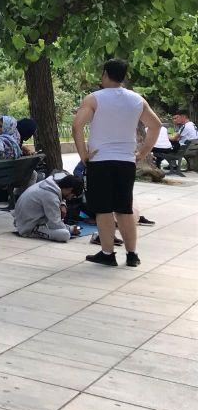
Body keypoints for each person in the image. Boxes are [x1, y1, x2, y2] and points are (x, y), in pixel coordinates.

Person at [72, 58, 162, 267]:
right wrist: (142, 152)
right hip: (126, 161)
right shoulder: (137, 100)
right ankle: (132, 255)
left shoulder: (94, 99)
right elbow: (155, 125)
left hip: (100, 160)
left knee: (103, 209)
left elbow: (77, 126)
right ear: (123, 76)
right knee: (124, 208)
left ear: (105, 74)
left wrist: (83, 154)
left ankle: (107, 253)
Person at [14, 175, 84, 242]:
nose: (70, 198)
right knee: (65, 234)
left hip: (23, 221)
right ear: (70, 189)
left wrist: (63, 204)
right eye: (73, 196)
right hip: (27, 227)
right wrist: (70, 229)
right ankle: (35, 231)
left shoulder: (50, 184)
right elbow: (55, 224)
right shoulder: (51, 197)